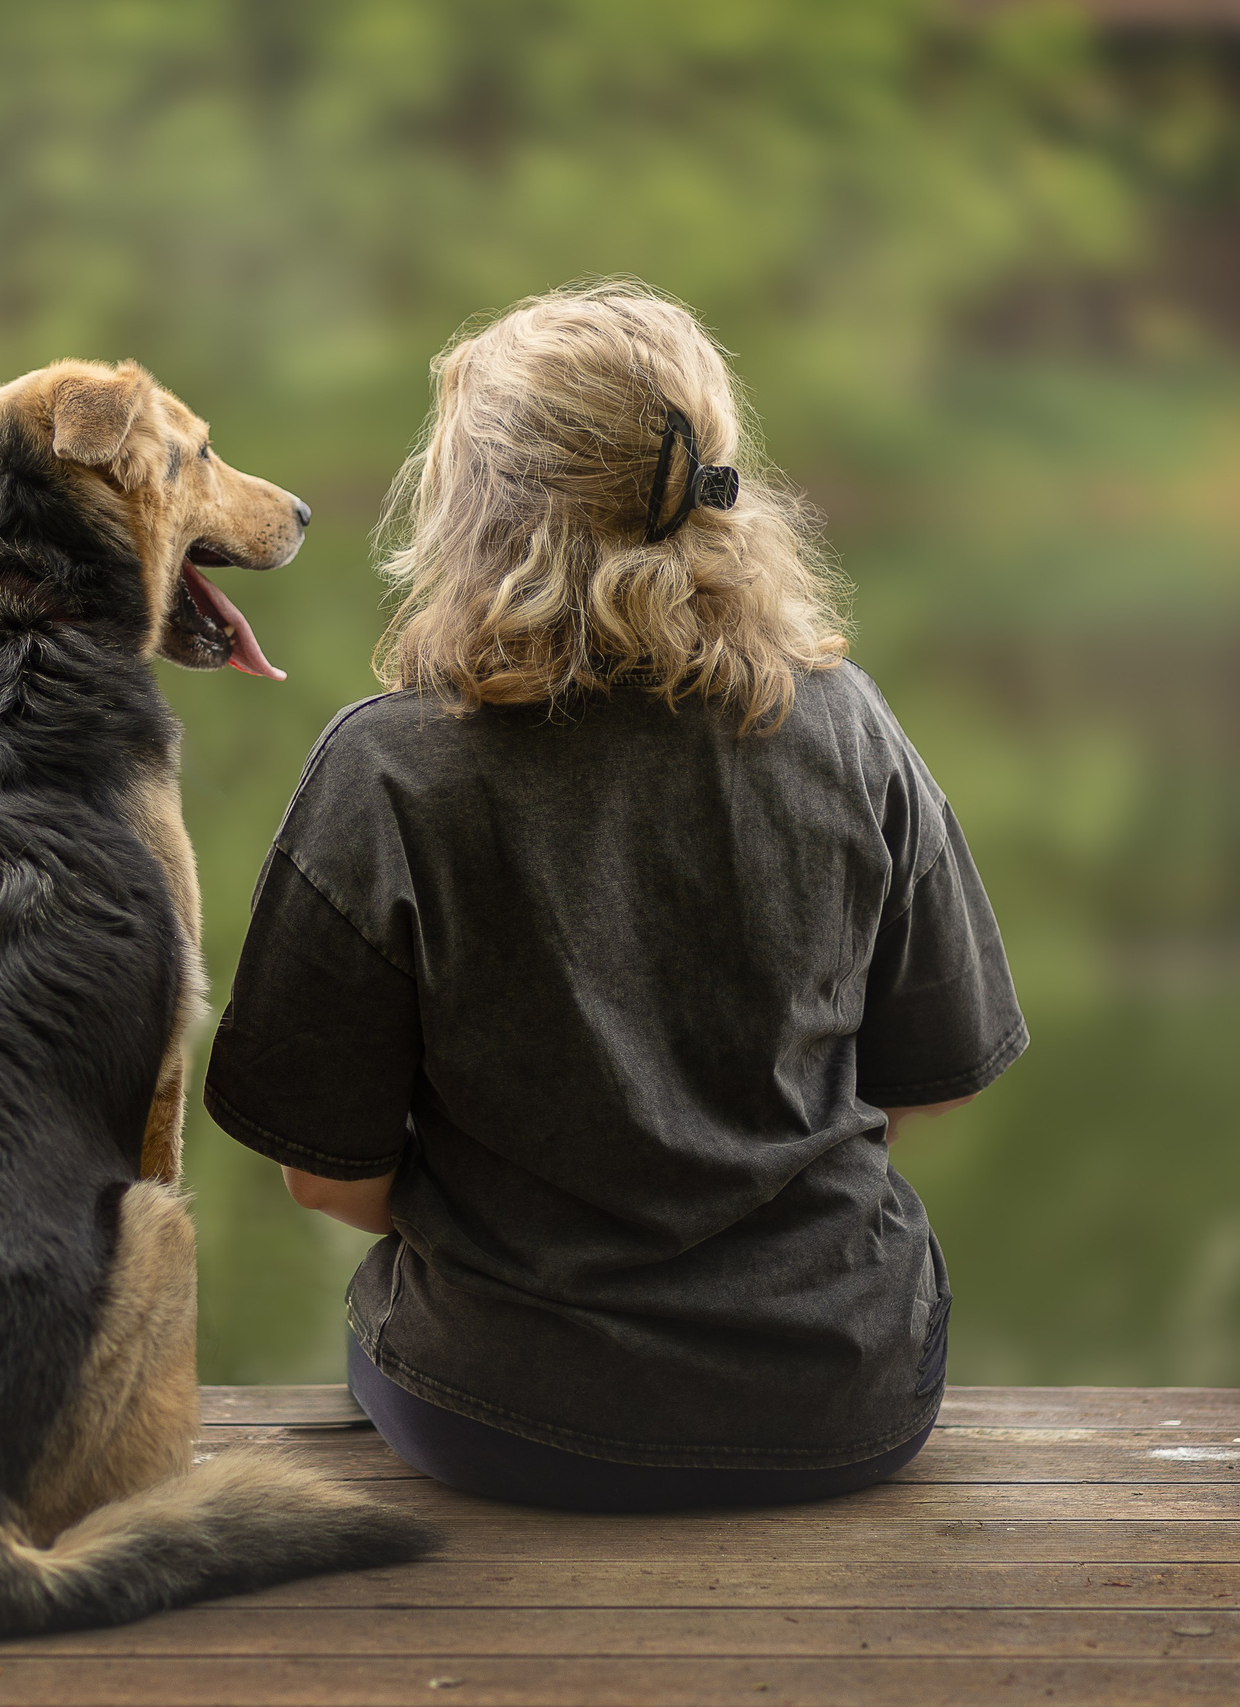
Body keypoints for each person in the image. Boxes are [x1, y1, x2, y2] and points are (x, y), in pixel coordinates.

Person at [201, 280, 1026, 1512]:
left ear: (475, 510)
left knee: (381, 1330)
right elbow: (940, 1073)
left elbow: (326, 1176)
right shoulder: (851, 729)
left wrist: (514, 1242)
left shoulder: (387, 769)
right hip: (844, 1400)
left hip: (504, 1414)